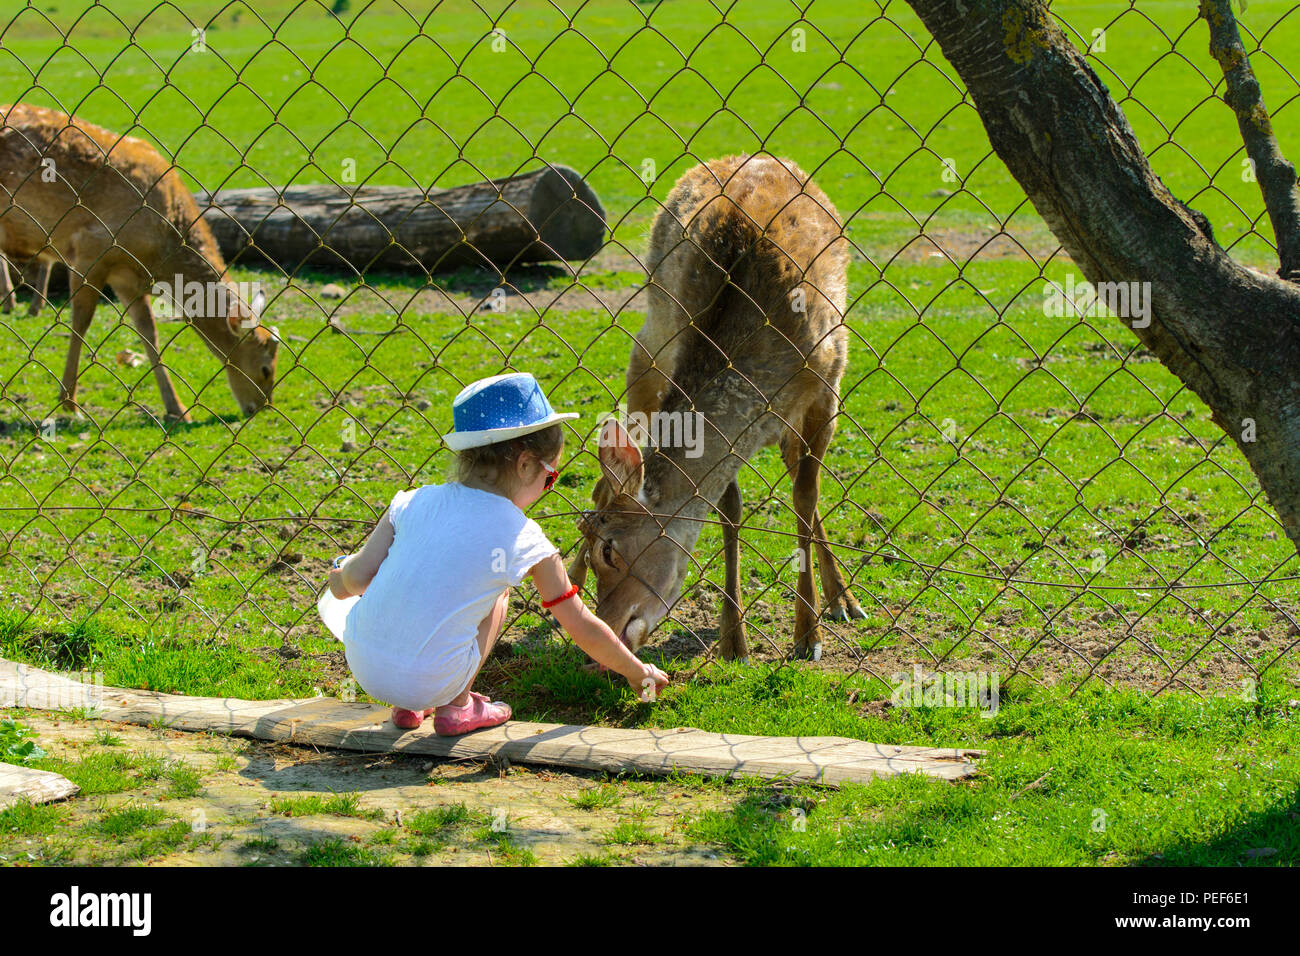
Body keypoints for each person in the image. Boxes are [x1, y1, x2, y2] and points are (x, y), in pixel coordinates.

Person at [327, 371, 669, 734]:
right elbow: (580, 625)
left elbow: (357, 578)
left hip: (365, 667)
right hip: (434, 678)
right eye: (549, 478)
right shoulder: (524, 538)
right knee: (497, 590)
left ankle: (410, 706)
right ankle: (456, 705)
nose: (547, 489)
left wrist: (337, 575)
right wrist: (638, 670)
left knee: (417, 575)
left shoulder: (412, 501)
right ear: (525, 465)